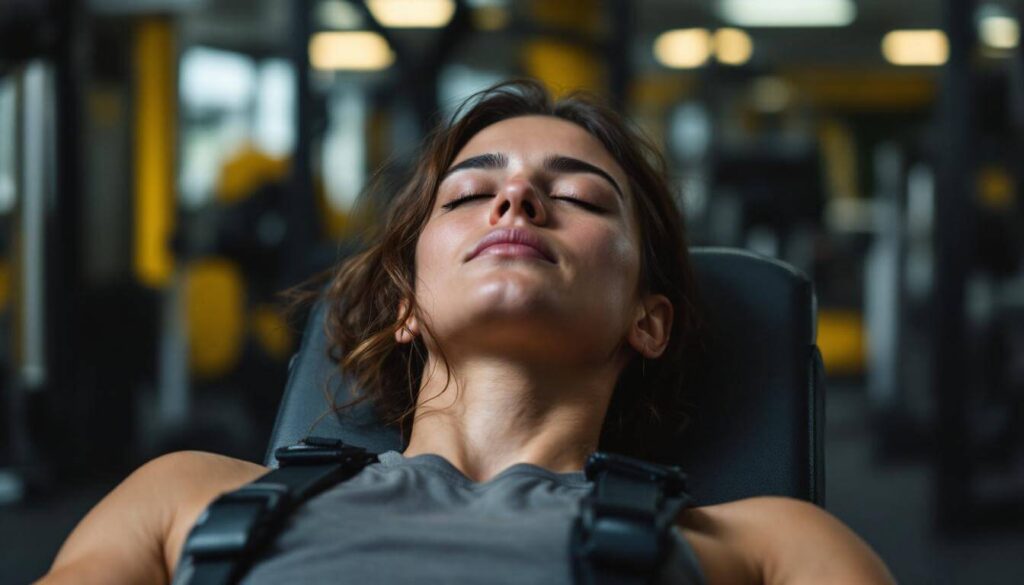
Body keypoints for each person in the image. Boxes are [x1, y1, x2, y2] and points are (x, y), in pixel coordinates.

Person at [38, 80, 895, 585]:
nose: (516, 200)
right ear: (405, 302)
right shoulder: (181, 498)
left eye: (583, 197)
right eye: (466, 194)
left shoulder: (772, 546)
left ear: (649, 319)